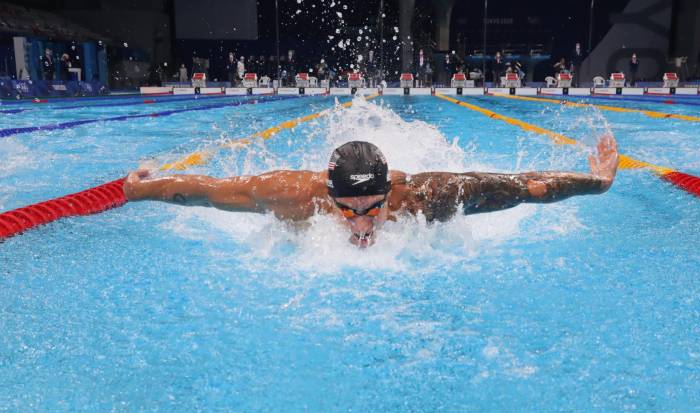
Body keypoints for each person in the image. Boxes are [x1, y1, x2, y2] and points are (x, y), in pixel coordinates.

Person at [123, 136, 618, 249]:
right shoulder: (291, 195)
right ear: (328, 194)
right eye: (348, 210)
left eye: (373, 209)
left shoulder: (423, 198)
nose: (362, 225)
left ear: (390, 192)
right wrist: (139, 192)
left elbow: (524, 188)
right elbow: (205, 191)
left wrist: (597, 184)